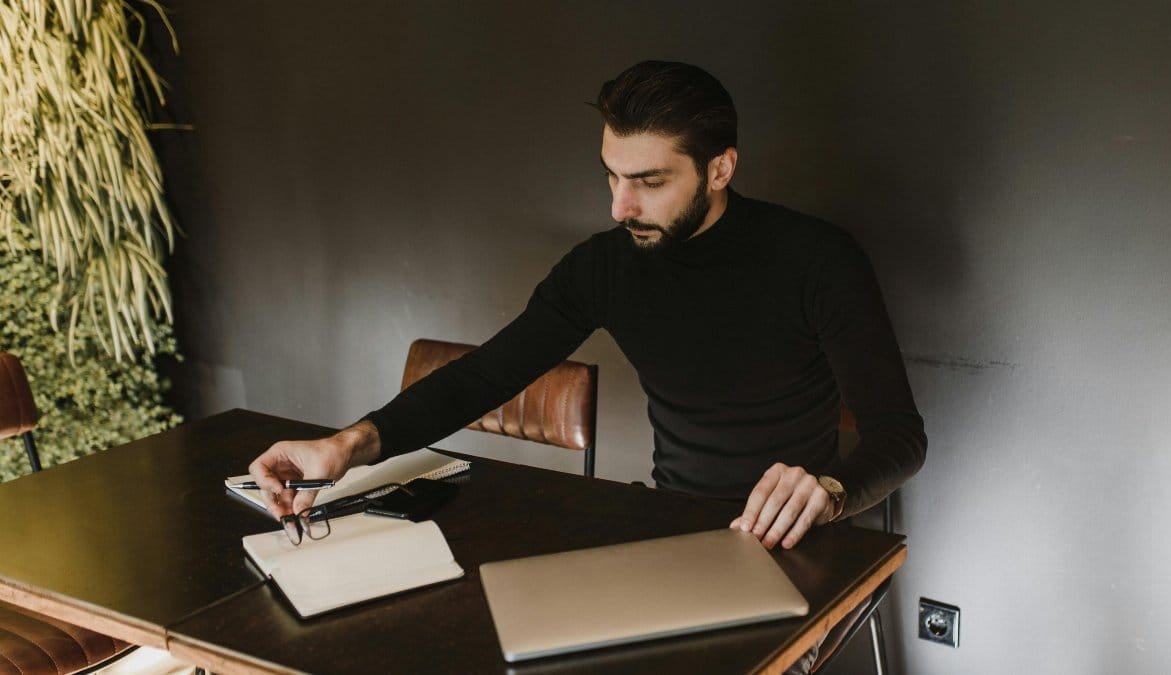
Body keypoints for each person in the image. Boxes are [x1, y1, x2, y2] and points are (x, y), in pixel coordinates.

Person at [249, 60, 926, 553]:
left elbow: (898, 434)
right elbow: (487, 376)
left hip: (794, 538)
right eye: (611, 175)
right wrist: (344, 445)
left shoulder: (817, 258)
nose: (619, 206)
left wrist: (830, 492)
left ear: (720, 169)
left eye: (649, 181)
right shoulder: (605, 265)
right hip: (666, 526)